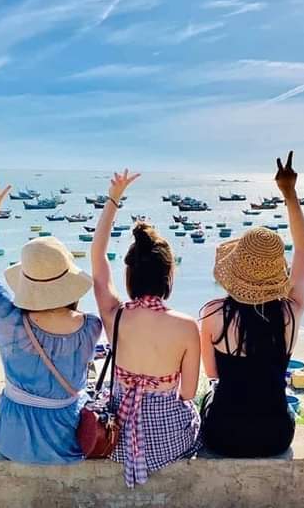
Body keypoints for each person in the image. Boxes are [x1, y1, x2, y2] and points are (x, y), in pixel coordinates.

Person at [0, 181, 102, 464]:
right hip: (65, 438)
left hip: (12, 438)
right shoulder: (90, 327)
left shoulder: (7, 319)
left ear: (27, 282)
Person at [91, 169, 201, 487]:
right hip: (169, 440)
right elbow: (188, 393)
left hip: (118, 439)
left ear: (130, 275)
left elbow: (97, 255)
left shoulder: (115, 315)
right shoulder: (186, 326)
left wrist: (113, 198)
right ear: (168, 275)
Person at [199, 151, 304, 458]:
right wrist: (289, 193)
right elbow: (303, 250)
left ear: (234, 272)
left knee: (208, 399)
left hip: (223, 435)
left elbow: (213, 374)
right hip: (275, 435)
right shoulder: (291, 311)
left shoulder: (213, 313)